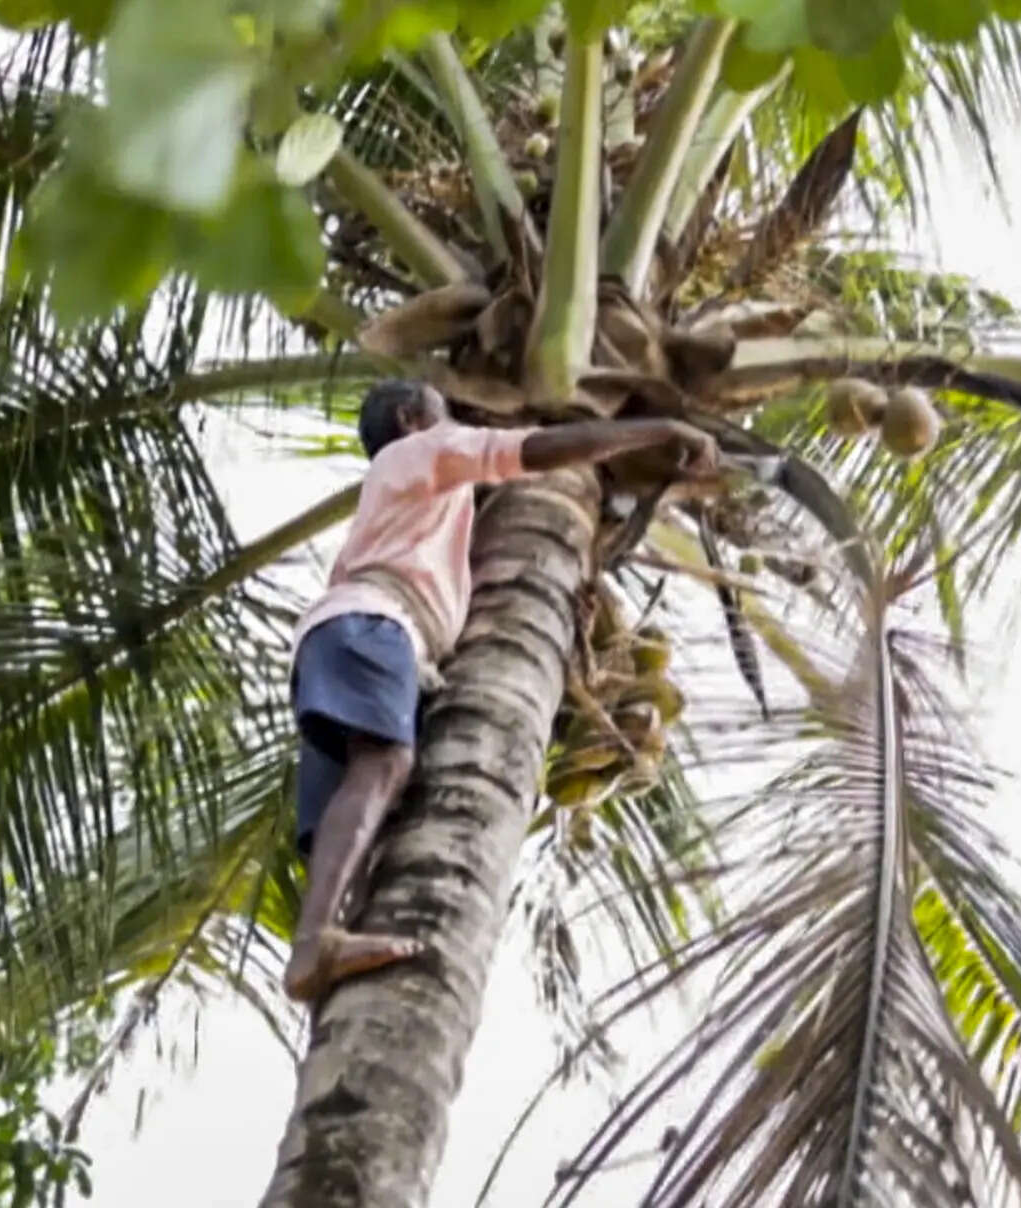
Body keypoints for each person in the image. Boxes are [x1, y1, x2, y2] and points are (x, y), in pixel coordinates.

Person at [282, 379, 719, 1001]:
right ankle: (317, 943)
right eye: (443, 410)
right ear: (412, 418)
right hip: (374, 623)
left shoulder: (416, 501)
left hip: (349, 633)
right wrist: (660, 431)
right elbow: (534, 450)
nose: (455, 416)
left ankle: (329, 949)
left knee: (362, 810)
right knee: (385, 762)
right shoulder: (422, 452)